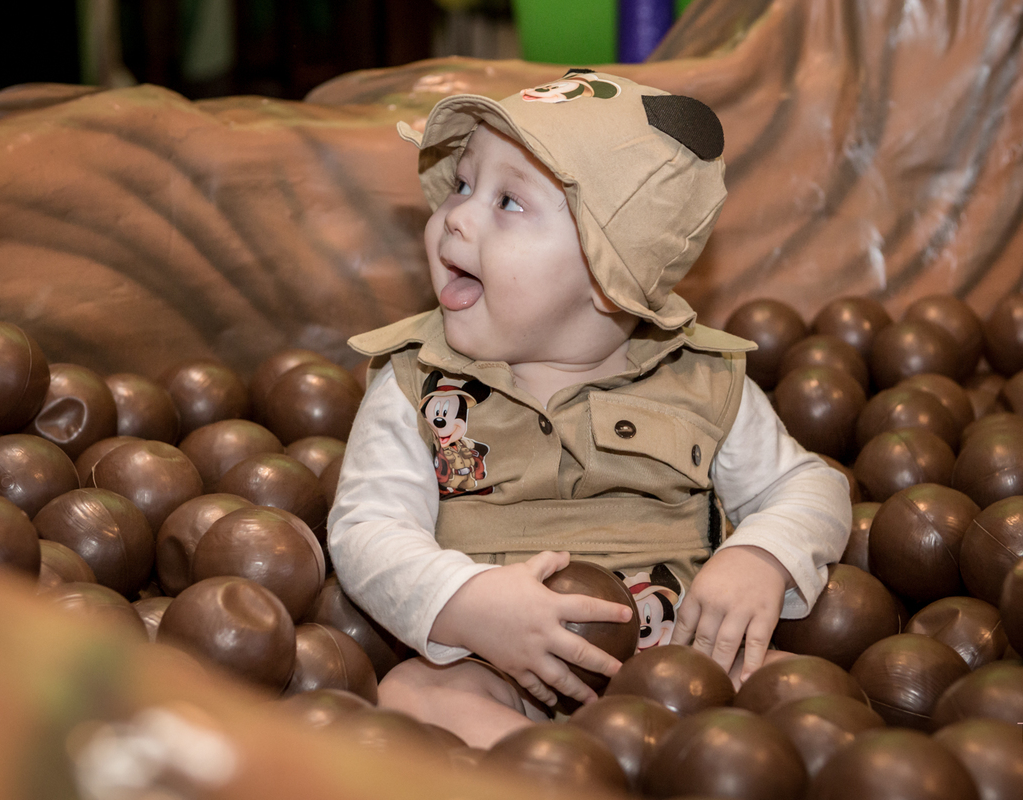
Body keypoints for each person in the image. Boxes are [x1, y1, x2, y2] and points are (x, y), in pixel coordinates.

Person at [327, 69, 851, 748]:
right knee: (410, 697)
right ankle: (556, 776)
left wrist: (761, 557)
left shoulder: (701, 381)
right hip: (500, 670)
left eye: (508, 202)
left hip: (681, 668)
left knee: (810, 699)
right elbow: (366, 529)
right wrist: (466, 603)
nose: (456, 215)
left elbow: (811, 486)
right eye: (462, 184)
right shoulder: (413, 383)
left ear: (607, 278)